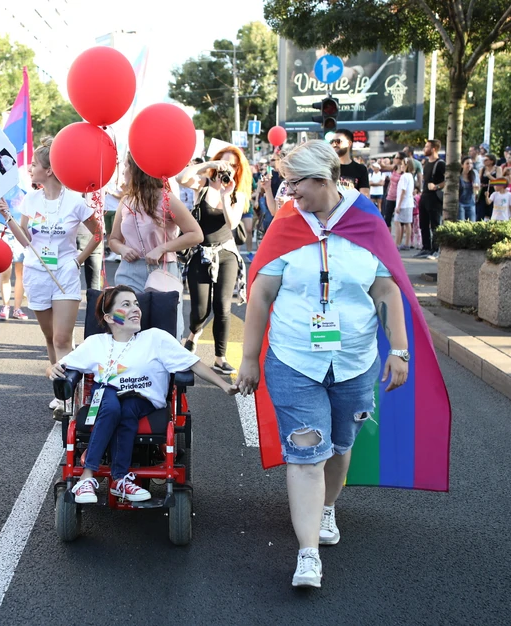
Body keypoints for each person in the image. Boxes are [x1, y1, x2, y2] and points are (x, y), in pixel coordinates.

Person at [236, 140, 409, 589]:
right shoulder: (286, 223)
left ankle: (327, 507)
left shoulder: (367, 220)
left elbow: (386, 290)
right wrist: (249, 358)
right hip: (294, 360)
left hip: (354, 361)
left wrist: (399, 348)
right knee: (307, 455)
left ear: (322, 179)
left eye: (295, 183)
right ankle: (308, 553)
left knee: (340, 445)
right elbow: (261, 293)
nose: (289, 192)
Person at [51, 285, 237, 503]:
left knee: (127, 408)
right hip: (106, 394)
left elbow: (193, 363)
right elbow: (60, 366)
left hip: (142, 399)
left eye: (136, 304)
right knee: (112, 407)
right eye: (126, 305)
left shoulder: (155, 339)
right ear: (109, 317)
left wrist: (224, 385)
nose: (135, 309)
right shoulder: (96, 343)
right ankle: (88, 477)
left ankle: (118, 480)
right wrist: (52, 370)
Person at [0, 137, 100, 412]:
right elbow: (26, 240)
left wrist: (77, 261)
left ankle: (69, 398)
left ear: (49, 170)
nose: (29, 168)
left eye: (33, 164)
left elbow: (99, 234)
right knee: (50, 336)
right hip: (36, 274)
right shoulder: (30, 200)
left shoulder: (75, 202)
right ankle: (61, 388)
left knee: (63, 339)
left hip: (65, 274)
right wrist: (7, 216)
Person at [108, 152, 203, 340]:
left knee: (166, 331)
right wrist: (123, 249)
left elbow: (196, 234)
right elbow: (113, 240)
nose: (123, 171)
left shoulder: (167, 199)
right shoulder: (126, 201)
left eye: (126, 166)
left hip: (162, 271)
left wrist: (162, 248)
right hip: (128, 272)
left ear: (138, 170)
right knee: (124, 330)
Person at [176, 145, 252, 374]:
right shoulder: (203, 184)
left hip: (226, 254)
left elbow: (232, 223)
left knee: (222, 306)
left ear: (239, 169)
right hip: (200, 253)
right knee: (200, 310)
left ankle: (220, 358)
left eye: (233, 165)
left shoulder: (237, 193)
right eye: (225, 163)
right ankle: (194, 333)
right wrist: (209, 165)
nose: (228, 169)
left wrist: (226, 196)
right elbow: (181, 178)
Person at [416, 139, 445, 259]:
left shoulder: (440, 163)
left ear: (433, 149)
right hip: (425, 196)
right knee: (423, 223)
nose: (424, 149)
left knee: (435, 224)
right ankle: (426, 247)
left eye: (427, 147)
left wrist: (436, 186)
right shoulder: (427, 163)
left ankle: (435, 249)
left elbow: (447, 180)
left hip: (434, 197)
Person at [331, 130, 369, 196]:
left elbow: (365, 195)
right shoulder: (327, 167)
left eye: (338, 141)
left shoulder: (361, 169)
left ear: (349, 144)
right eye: (332, 142)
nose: (334, 144)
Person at [394, 156, 416, 248]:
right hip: (409, 203)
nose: (401, 166)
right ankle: (407, 243)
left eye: (403, 164)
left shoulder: (404, 177)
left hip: (403, 203)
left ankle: (397, 243)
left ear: (407, 166)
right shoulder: (410, 176)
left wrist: (398, 205)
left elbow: (403, 191)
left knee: (397, 222)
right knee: (407, 223)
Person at [382, 153, 404, 228]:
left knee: (400, 221)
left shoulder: (404, 172)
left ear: (401, 160)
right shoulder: (394, 167)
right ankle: (388, 235)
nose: (394, 159)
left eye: (396, 157)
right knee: (387, 219)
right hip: (390, 196)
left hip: (399, 197)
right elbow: (383, 167)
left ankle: (400, 235)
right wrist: (381, 161)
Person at [477, 154, 500, 221]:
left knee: (491, 212)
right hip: (483, 192)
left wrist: (489, 176)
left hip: (493, 191)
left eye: (486, 160)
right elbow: (479, 181)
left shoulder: (497, 169)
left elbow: (499, 182)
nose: (484, 161)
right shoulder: (482, 169)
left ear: (492, 161)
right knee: (480, 212)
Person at [458, 157, 479, 221]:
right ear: (462, 165)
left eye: (471, 163)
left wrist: (476, 189)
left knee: (472, 223)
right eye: (467, 163)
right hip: (460, 203)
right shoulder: (458, 177)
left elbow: (476, 192)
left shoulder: (474, 174)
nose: (469, 165)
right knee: (461, 223)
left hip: (471, 203)